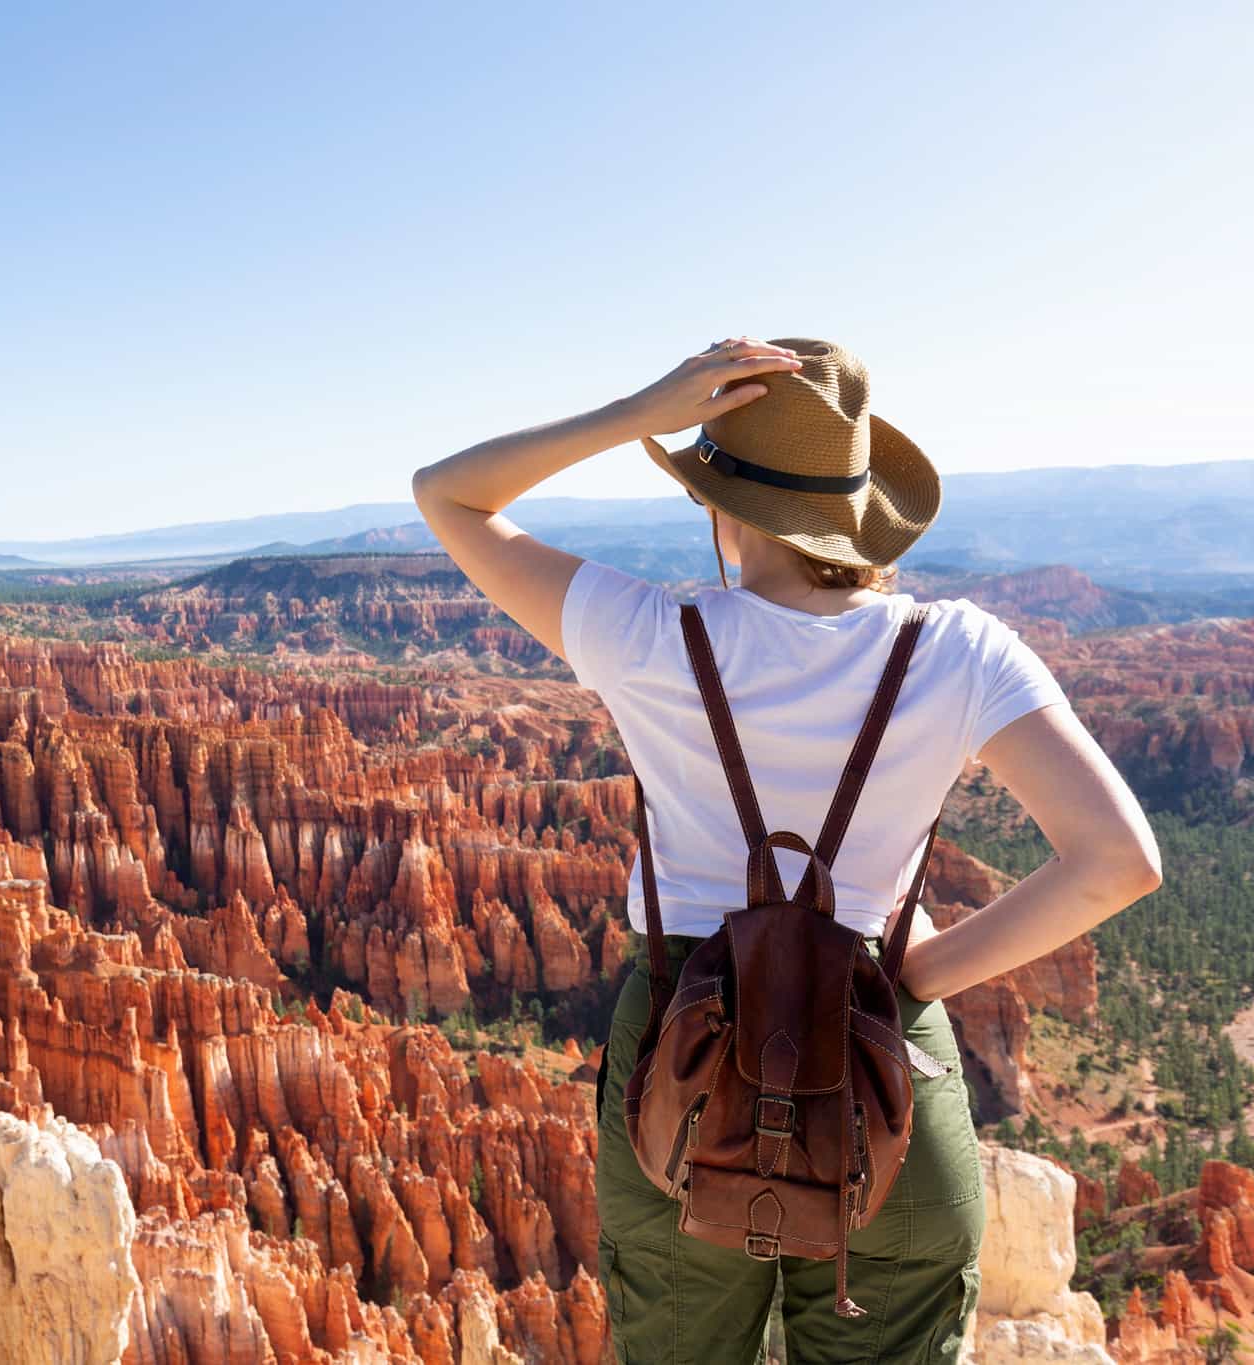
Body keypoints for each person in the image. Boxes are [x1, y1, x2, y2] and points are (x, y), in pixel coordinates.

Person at [411, 337, 1162, 1363]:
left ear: (716, 504)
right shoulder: (957, 648)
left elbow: (446, 495)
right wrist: (915, 974)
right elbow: (1118, 860)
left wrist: (640, 411)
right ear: (852, 509)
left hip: (679, 1062)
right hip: (879, 1067)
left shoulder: (646, 633)